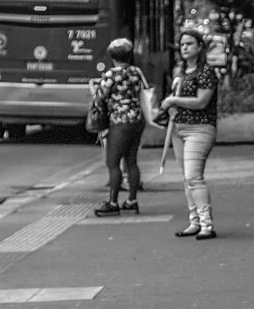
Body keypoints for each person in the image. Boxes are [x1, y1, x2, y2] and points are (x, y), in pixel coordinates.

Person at [163, 29, 220, 240]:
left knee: (194, 177)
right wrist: (170, 106)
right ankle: (194, 221)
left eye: (189, 44)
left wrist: (173, 101)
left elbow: (201, 101)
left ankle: (207, 224)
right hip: (180, 129)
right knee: (187, 179)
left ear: (199, 47)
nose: (184, 47)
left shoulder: (206, 72)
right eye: (182, 44)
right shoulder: (182, 72)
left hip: (200, 128)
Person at [93, 38, 149, 217]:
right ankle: (132, 200)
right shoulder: (136, 72)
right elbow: (146, 89)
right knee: (131, 161)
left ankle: (112, 202)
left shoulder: (111, 75)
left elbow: (100, 97)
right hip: (137, 119)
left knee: (113, 162)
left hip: (119, 120)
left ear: (112, 56)